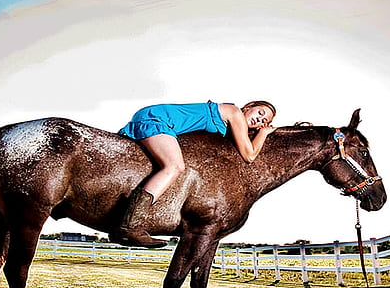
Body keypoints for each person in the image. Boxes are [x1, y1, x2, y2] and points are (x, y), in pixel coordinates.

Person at [113, 100, 277, 248]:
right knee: (174, 166)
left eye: (264, 122)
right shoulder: (234, 112)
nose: (259, 120)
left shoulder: (231, 126)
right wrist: (264, 132)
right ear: (249, 107)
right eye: (260, 113)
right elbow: (249, 155)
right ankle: (130, 226)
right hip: (158, 119)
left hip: (158, 118)